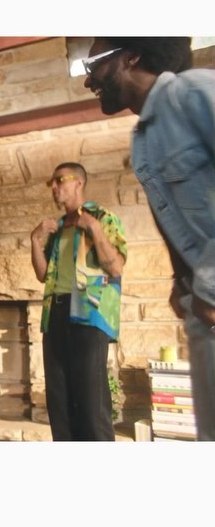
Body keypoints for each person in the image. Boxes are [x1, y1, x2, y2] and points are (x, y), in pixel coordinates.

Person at [84, 37, 215, 440]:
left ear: (132, 56)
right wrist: (182, 282)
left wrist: (209, 287)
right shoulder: (143, 137)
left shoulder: (196, 92)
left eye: (94, 64)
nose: (89, 81)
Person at [30, 162, 127, 441]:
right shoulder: (58, 227)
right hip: (55, 314)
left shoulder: (103, 218)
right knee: (59, 402)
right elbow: (42, 274)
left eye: (60, 180)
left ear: (79, 183)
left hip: (89, 314)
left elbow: (116, 267)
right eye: (51, 182)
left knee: (91, 403)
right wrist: (35, 240)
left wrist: (94, 229)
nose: (54, 187)